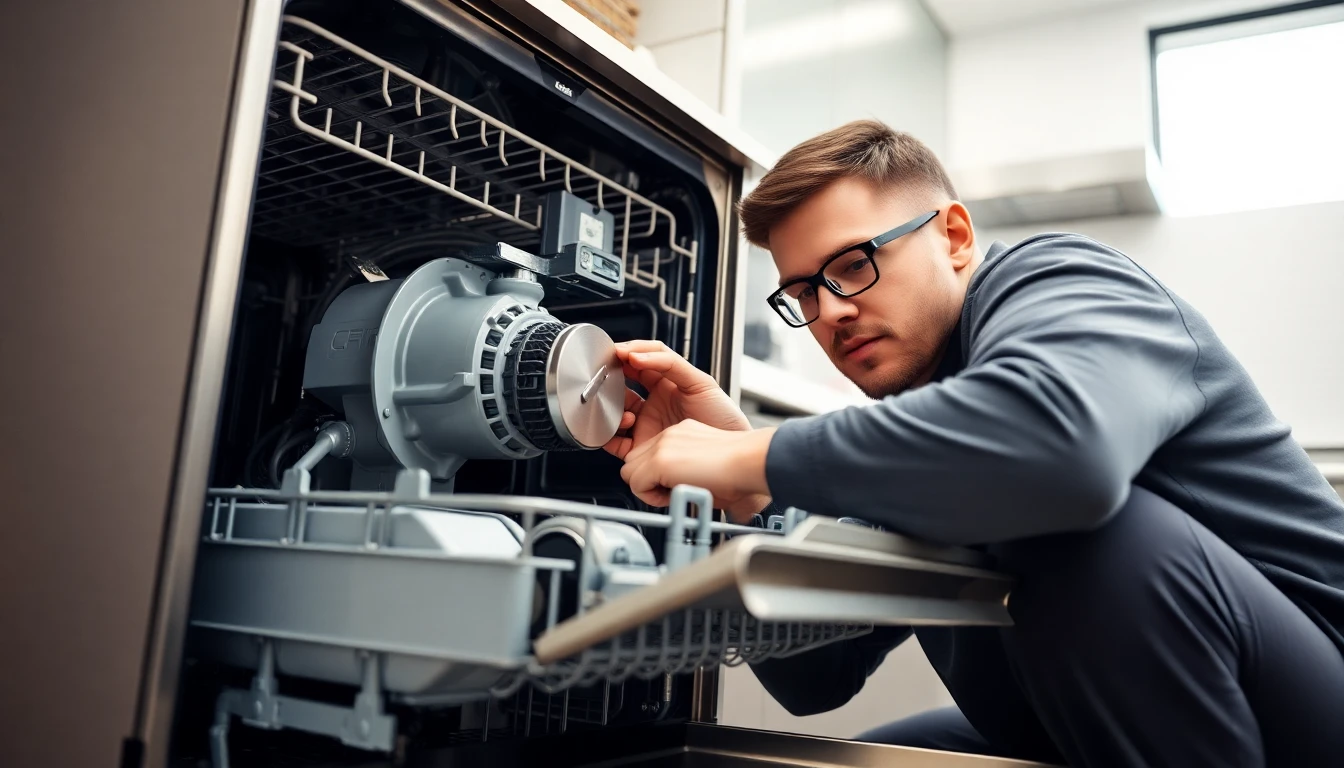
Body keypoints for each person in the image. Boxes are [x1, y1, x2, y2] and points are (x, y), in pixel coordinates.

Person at [601, 120, 1344, 767]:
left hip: (1314, 703)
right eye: (802, 293)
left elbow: (1063, 456)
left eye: (853, 265)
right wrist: (748, 502)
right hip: (1116, 715)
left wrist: (749, 454)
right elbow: (811, 677)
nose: (830, 312)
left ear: (954, 238)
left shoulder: (1060, 282)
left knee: (1082, 531)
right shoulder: (928, 439)